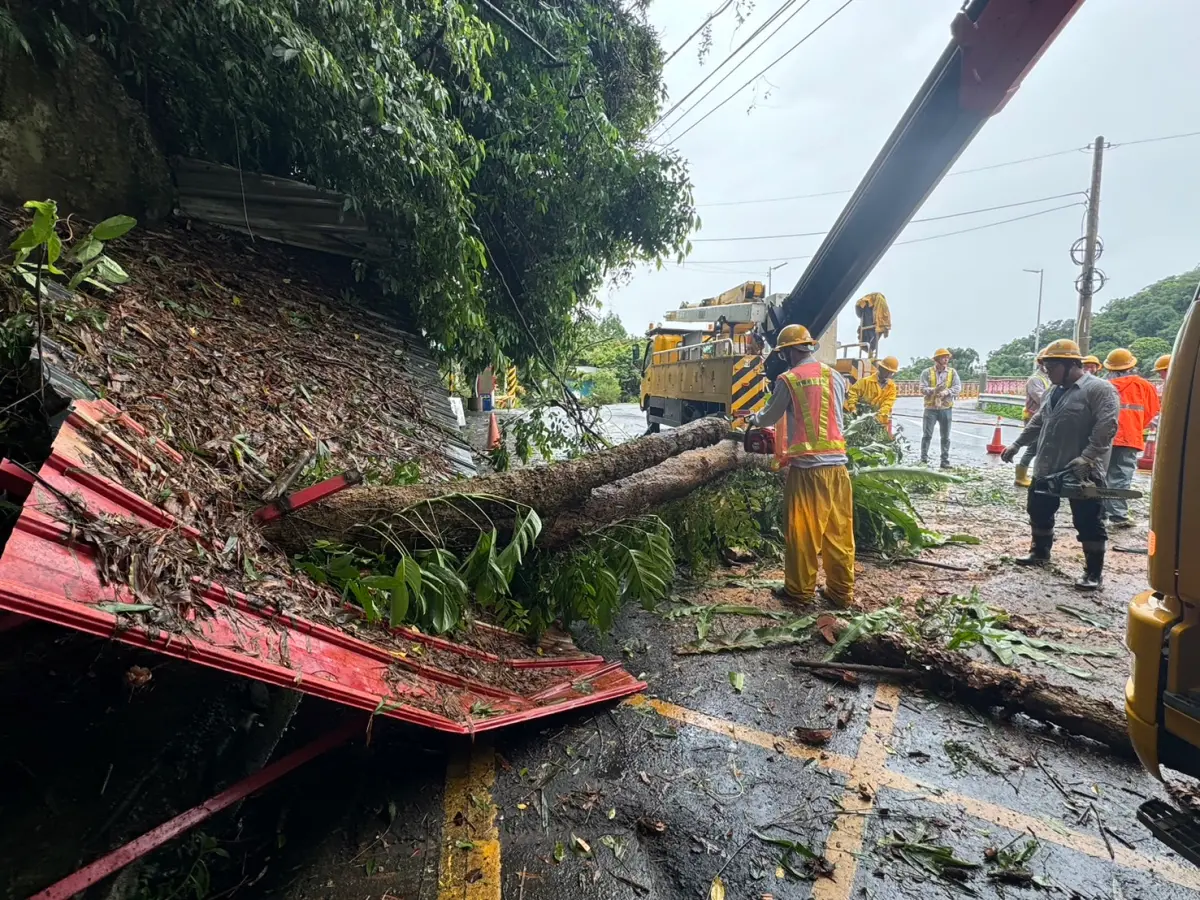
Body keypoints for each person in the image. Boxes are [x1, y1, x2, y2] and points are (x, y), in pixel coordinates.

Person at [747, 324, 854, 607]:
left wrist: (752, 419)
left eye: (783, 353)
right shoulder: (835, 376)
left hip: (808, 469)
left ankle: (799, 591)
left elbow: (770, 416)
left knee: (802, 532)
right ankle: (840, 593)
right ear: (808, 346)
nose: (784, 358)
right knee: (839, 531)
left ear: (790, 351)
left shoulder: (789, 380)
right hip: (838, 468)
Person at [1000, 339, 1119, 591]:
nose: (1047, 373)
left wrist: (1087, 457)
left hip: (1082, 469)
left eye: (1050, 367)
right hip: (1048, 466)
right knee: (1038, 509)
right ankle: (1040, 551)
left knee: (1088, 519)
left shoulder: (1099, 390)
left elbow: (1106, 427)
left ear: (1069, 364)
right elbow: (1038, 421)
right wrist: (1017, 444)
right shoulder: (1052, 392)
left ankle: (1093, 572)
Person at [1101, 348, 1160, 527]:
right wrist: (1135, 426)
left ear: (1109, 368)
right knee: (1121, 475)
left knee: (1101, 474)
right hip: (1129, 438)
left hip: (1102, 437)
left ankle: (1100, 512)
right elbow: (1152, 411)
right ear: (1131, 366)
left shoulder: (1101, 385)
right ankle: (1119, 515)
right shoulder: (1144, 386)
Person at [919, 349, 960, 468]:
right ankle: (923, 460)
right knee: (927, 435)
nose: (946, 359)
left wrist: (946, 392)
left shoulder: (952, 372)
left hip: (945, 408)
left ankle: (944, 461)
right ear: (936, 359)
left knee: (945, 437)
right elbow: (922, 388)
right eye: (943, 357)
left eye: (947, 357)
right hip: (930, 408)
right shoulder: (926, 372)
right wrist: (934, 390)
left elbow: (957, 387)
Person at [1015, 352, 1050, 487]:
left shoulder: (1048, 378)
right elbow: (1042, 398)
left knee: (1040, 447)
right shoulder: (1035, 379)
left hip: (1043, 416)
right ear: (1040, 363)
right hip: (1034, 417)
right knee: (1033, 447)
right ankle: (1021, 475)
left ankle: (1030, 474)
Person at [844, 355, 899, 426]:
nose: (888, 374)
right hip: (861, 419)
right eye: (886, 371)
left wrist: (877, 416)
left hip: (880, 422)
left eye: (891, 373)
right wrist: (853, 408)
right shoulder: (865, 382)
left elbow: (888, 404)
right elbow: (853, 393)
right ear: (880, 368)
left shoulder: (892, 387)